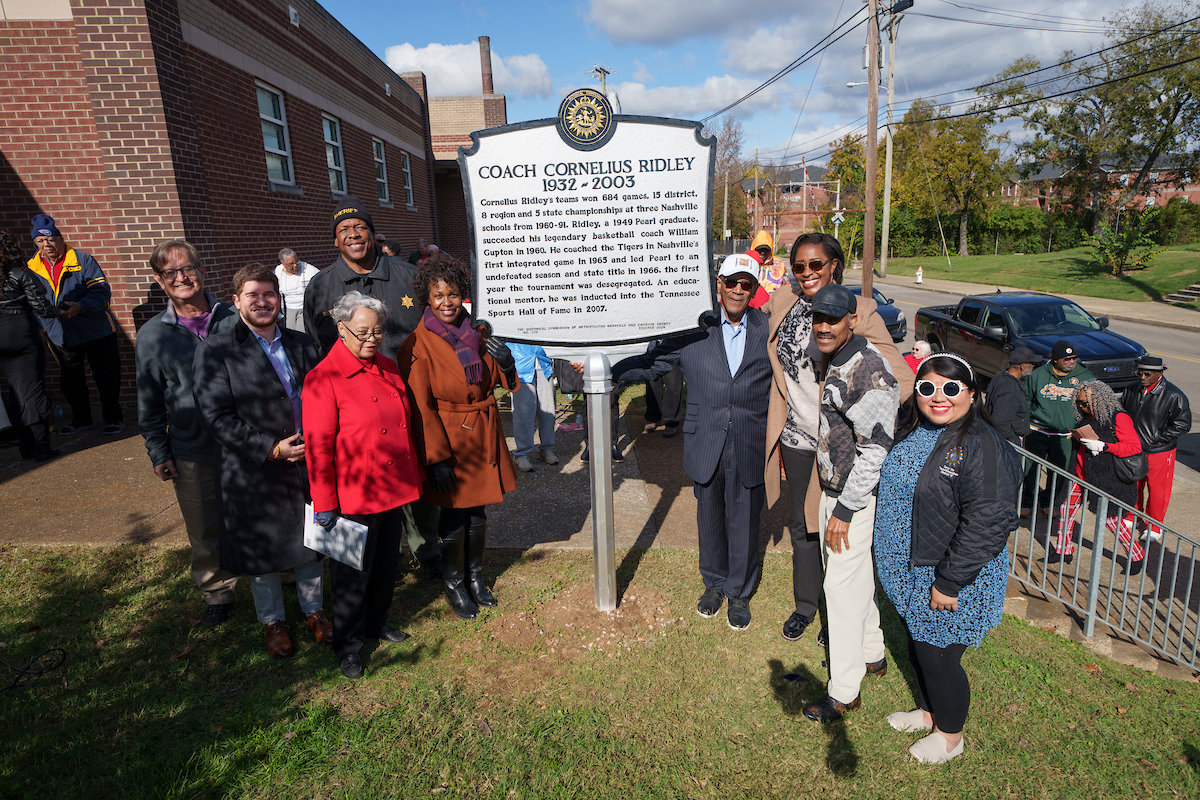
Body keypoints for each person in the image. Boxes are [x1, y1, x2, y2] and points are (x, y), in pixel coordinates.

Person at [763, 231, 911, 643]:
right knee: (802, 527)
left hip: (841, 445)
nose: (807, 273)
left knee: (838, 531)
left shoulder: (859, 309)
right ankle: (806, 606)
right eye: (799, 266)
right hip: (796, 436)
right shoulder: (784, 303)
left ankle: (840, 614)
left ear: (834, 266)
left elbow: (897, 371)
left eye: (816, 265)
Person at [874, 352, 1021, 763]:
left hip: (950, 575)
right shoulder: (918, 428)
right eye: (928, 388)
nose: (939, 397)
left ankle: (950, 737)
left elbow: (989, 521)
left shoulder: (982, 444)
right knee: (921, 645)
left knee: (939, 655)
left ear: (972, 394)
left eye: (951, 388)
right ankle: (928, 713)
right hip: (912, 568)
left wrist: (950, 581)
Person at [613, 253, 773, 631]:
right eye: (731, 282)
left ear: (754, 289)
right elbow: (654, 365)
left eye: (745, 284)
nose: (737, 289)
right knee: (709, 516)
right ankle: (714, 584)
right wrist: (605, 364)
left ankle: (739, 592)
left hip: (750, 438)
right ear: (718, 284)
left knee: (746, 518)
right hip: (705, 438)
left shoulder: (768, 328)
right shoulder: (694, 329)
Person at [193, 263, 330, 658]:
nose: (262, 302)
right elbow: (216, 416)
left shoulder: (303, 344)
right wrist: (270, 448)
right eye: (252, 295)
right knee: (264, 547)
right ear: (236, 302)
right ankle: (273, 621)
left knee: (309, 539)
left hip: (305, 460)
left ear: (280, 299)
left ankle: (315, 611)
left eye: (269, 294)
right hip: (254, 466)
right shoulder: (216, 349)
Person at [303, 197, 439, 576]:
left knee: (418, 469)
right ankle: (381, 555)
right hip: (358, 401)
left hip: (412, 389)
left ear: (372, 233)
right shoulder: (320, 285)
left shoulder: (406, 272)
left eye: (359, 227)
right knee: (371, 474)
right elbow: (320, 343)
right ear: (334, 241)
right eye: (343, 230)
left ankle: (425, 548)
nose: (353, 235)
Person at [304, 292, 422, 679]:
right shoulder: (323, 378)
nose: (371, 338)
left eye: (377, 331)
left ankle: (376, 623)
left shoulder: (387, 366)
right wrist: (324, 502)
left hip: (392, 486)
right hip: (354, 493)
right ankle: (349, 644)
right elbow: (319, 448)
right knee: (352, 575)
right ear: (340, 329)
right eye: (362, 332)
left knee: (387, 564)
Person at [397, 254, 519, 620]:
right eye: (438, 296)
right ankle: (454, 583)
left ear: (462, 295)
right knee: (452, 516)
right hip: (449, 440)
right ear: (427, 300)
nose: (446, 302)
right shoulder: (416, 346)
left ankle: (476, 577)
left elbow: (496, 379)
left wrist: (507, 363)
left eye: (452, 294)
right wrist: (435, 458)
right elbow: (421, 408)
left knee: (478, 511)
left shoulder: (476, 335)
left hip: (482, 432)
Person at [800, 283, 900, 723]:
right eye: (817, 318)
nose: (823, 326)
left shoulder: (868, 370)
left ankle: (844, 691)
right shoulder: (838, 356)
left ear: (851, 321)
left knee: (838, 591)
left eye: (832, 319)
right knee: (855, 580)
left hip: (851, 500)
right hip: (834, 490)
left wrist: (843, 510)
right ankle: (873, 653)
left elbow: (875, 450)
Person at [136, 239, 239, 626]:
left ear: (201, 269)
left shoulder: (234, 316)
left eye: (187, 268)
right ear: (160, 282)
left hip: (244, 442)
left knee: (259, 512)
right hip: (192, 447)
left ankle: (281, 572)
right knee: (204, 526)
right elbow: (148, 399)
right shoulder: (152, 337)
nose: (181, 278)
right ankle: (218, 592)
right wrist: (158, 450)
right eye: (170, 273)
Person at [26, 213, 124, 435]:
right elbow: (32, 302)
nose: (46, 244)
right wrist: (40, 325)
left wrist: (81, 306)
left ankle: (113, 418)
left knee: (106, 377)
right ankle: (82, 420)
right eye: (40, 241)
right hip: (61, 333)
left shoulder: (82, 259)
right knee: (71, 380)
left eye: (50, 239)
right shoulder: (31, 268)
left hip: (96, 328)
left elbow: (102, 292)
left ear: (60, 238)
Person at [1049, 381, 1146, 573]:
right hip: (1080, 475)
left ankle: (1137, 555)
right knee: (1065, 510)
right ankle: (1063, 550)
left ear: (1100, 398)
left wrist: (1105, 446)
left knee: (1112, 521)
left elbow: (1134, 447)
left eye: (1085, 402)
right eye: (1079, 403)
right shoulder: (1086, 417)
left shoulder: (1119, 418)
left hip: (1105, 479)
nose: (1083, 407)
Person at [0, 230, 61, 461]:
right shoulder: (20, 273)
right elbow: (42, 308)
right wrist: (62, 310)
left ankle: (25, 448)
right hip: (21, 334)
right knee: (33, 390)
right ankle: (41, 448)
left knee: (15, 391)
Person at [1122, 356, 1192, 542]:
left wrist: (1157, 439)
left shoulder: (1173, 395)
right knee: (1133, 484)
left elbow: (1182, 424)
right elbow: (1122, 413)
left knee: (1157, 489)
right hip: (1134, 449)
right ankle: (1131, 515)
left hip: (1159, 451)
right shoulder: (1132, 389)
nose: (1142, 377)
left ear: (1159, 374)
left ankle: (1154, 525)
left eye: (1147, 374)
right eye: (1140, 372)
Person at [1021, 341, 1096, 514]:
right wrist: (1026, 424)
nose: (1071, 361)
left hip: (1064, 435)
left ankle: (1048, 503)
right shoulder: (1038, 375)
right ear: (1055, 360)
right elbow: (1025, 400)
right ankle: (1026, 502)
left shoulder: (1086, 377)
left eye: (1074, 358)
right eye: (1066, 359)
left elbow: (1091, 407)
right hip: (1037, 431)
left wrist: (1079, 428)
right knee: (1030, 471)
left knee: (1058, 473)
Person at [509, 343, 558, 472]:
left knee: (548, 412)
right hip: (520, 366)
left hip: (544, 363)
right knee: (523, 413)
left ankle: (546, 449)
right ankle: (521, 454)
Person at [984, 346, 1040, 446]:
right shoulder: (1010, 389)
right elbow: (1000, 420)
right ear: (1022, 366)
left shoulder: (1000, 375)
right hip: (1005, 440)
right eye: (1032, 363)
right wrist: (1012, 440)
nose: (1033, 366)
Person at [274, 248, 320, 333]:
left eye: (297, 262)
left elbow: (322, 281)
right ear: (283, 264)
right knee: (289, 332)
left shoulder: (309, 270)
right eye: (291, 264)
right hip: (288, 309)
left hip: (304, 307)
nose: (295, 265)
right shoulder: (278, 271)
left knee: (302, 332)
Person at [752, 230, 788, 296]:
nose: (762, 252)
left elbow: (786, 288)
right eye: (760, 249)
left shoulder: (780, 264)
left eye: (765, 249)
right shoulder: (749, 263)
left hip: (775, 303)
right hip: (753, 304)